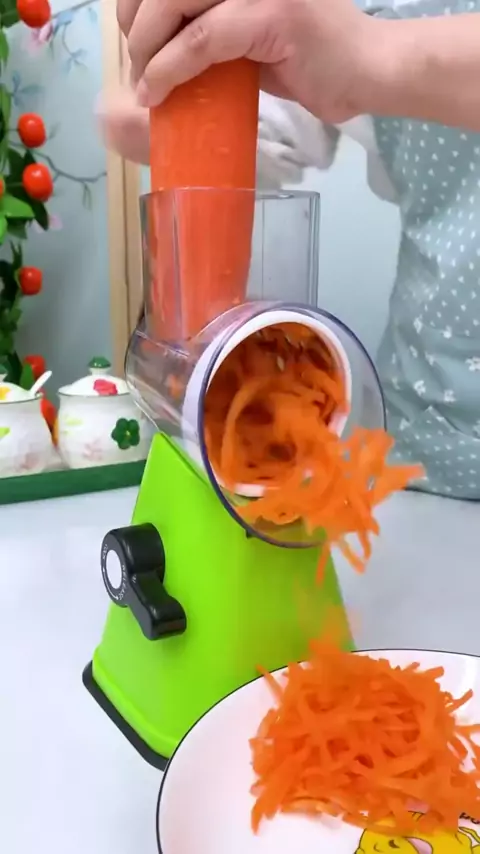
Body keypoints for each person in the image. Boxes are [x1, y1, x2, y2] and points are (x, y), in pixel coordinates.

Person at [98, 0, 480, 500]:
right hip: (424, 447)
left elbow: (349, 56)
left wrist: (376, 53)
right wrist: (182, 108)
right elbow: (283, 106)